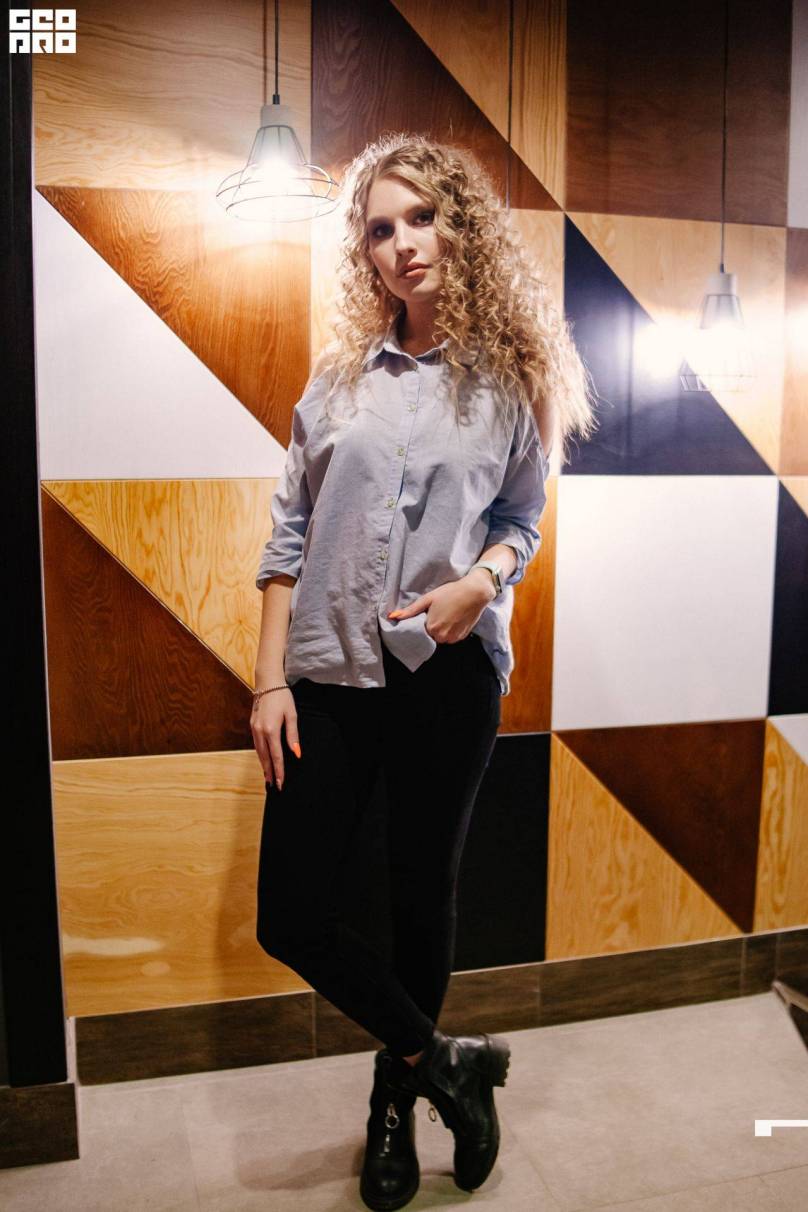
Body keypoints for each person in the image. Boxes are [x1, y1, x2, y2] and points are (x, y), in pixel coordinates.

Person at [251, 133, 598, 1209]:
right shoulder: (336, 381)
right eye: (379, 229)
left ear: (462, 227)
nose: (402, 244)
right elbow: (287, 538)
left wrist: (480, 585)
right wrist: (267, 682)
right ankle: (448, 1063)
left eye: (421, 217)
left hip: (449, 676)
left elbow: (521, 519)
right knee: (292, 913)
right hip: (329, 671)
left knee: (418, 898)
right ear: (364, 255)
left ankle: (393, 1105)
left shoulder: (513, 382)